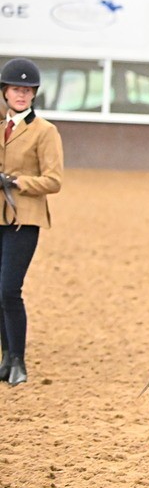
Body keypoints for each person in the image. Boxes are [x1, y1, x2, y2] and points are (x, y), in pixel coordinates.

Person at [0, 58, 64, 386]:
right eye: (15, 89)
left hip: (24, 219)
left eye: (27, 90)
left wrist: (16, 181)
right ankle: (5, 358)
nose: (21, 95)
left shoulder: (44, 132)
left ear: (34, 94)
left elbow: (54, 180)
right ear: (5, 93)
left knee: (9, 289)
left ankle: (19, 360)